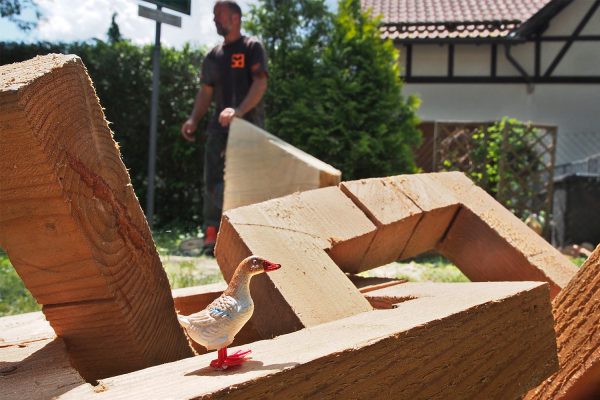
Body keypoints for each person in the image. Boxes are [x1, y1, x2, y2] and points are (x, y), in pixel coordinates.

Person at [181, 1, 268, 256]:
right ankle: (212, 234)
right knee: (213, 179)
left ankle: (248, 235)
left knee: (248, 181)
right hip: (219, 129)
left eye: (218, 15)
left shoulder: (252, 47)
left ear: (235, 17)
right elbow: (206, 91)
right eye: (214, 16)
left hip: (248, 127)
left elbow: (260, 84)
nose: (214, 20)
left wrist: (239, 111)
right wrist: (193, 120)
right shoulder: (213, 55)